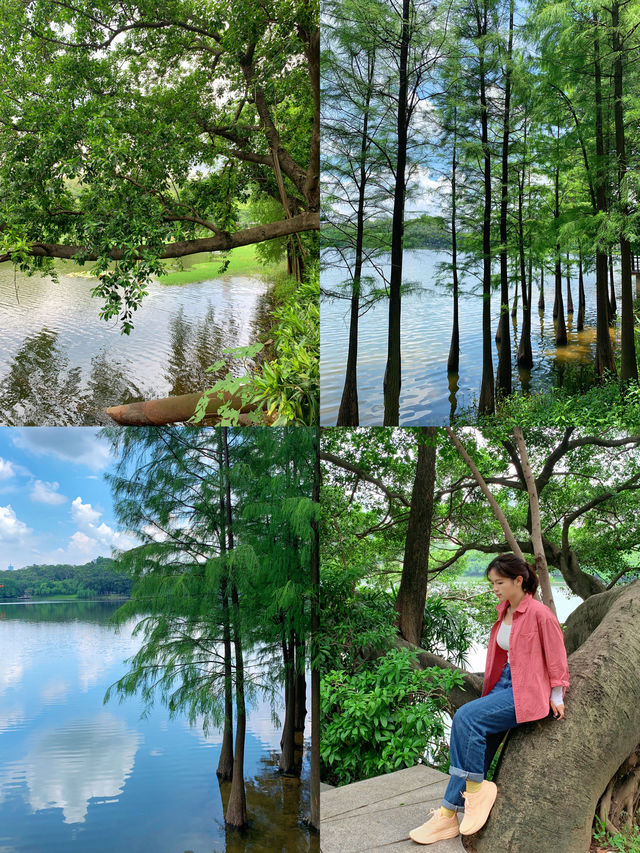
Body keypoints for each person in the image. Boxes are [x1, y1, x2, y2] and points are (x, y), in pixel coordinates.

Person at [410, 553, 570, 845]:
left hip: (528, 689)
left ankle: (476, 792)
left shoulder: (539, 613)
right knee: (474, 746)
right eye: (492, 583)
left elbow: (557, 656)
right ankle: (447, 816)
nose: (494, 588)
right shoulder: (504, 611)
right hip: (504, 684)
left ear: (518, 580)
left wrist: (557, 694)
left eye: (499, 582)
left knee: (466, 718)